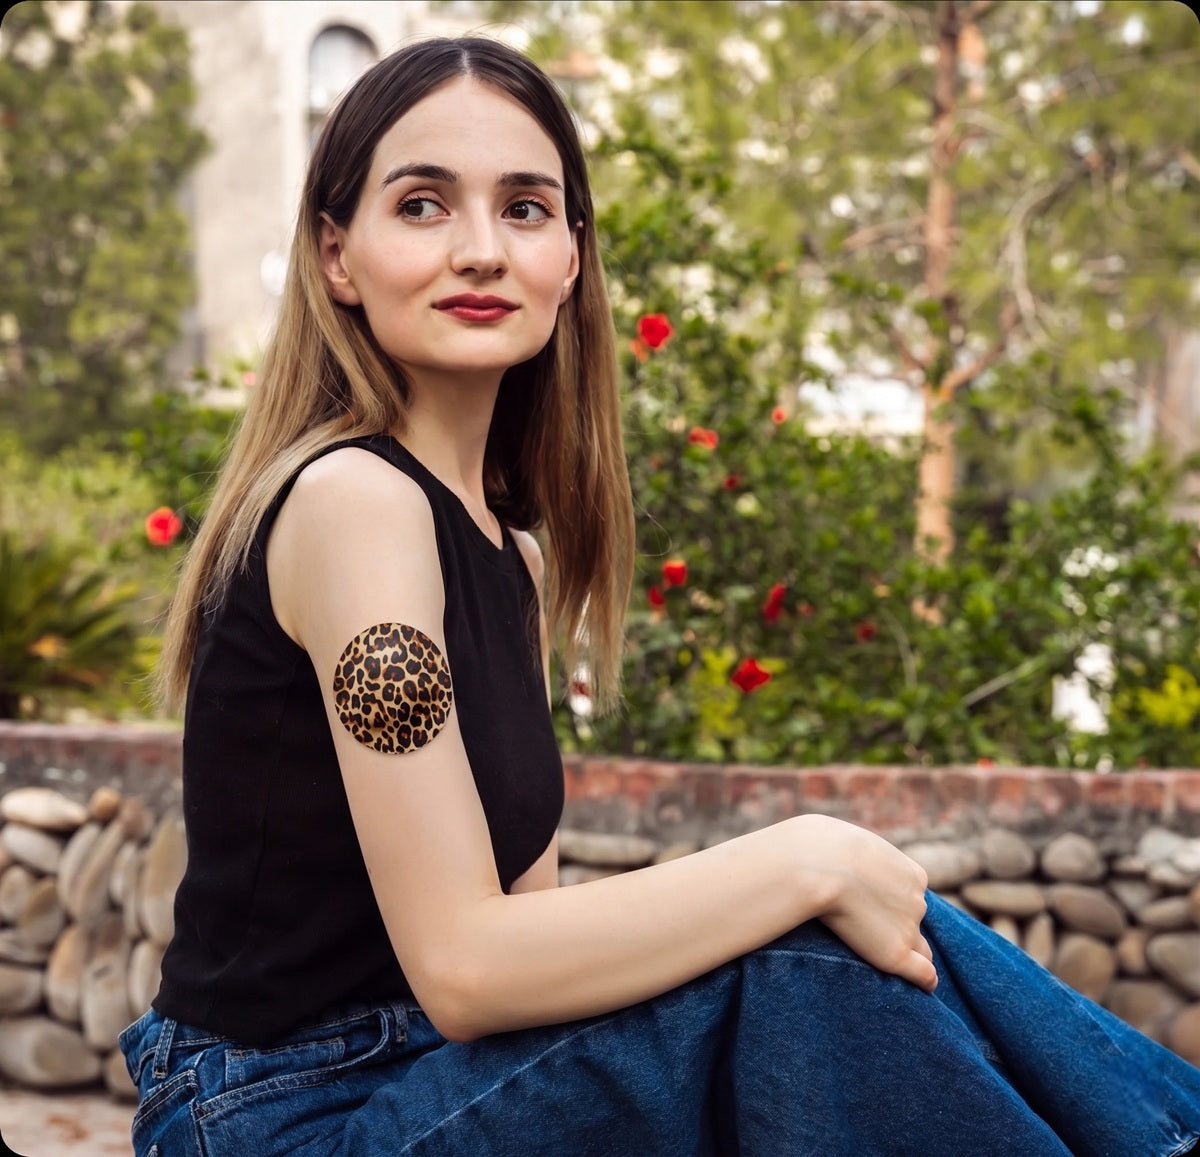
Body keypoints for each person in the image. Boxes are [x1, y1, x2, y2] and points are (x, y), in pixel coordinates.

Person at [118, 35, 1200, 1157]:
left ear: (571, 258)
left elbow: (529, 943)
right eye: (423, 205)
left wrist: (809, 873)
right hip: (278, 1116)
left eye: (525, 209)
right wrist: (802, 856)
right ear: (338, 254)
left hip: (436, 1086)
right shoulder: (353, 501)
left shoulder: (512, 557)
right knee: (799, 945)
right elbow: (467, 966)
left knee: (814, 940)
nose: (481, 250)